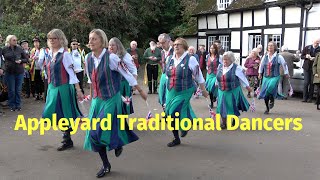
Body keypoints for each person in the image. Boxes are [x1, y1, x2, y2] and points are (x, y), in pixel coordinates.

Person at [83, 29, 147, 178]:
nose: (91, 41)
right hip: (98, 100)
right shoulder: (88, 58)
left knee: (98, 130)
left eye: (94, 39)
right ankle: (106, 164)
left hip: (111, 98)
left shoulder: (112, 58)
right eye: (90, 38)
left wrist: (140, 90)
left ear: (102, 42)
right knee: (93, 135)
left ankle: (117, 142)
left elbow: (127, 74)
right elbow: (90, 79)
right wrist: (92, 95)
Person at [41, 29, 83, 151]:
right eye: (50, 38)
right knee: (51, 113)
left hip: (63, 88)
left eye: (55, 38)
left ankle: (67, 138)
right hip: (52, 87)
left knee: (63, 114)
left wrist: (78, 90)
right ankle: (67, 136)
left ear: (60, 39)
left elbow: (72, 74)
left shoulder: (65, 54)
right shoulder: (50, 53)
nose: (52, 40)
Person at [165, 38, 208, 147]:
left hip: (185, 90)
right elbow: (167, 76)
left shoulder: (191, 59)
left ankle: (185, 126)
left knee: (174, 111)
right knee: (169, 114)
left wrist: (203, 90)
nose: (175, 46)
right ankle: (176, 138)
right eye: (174, 44)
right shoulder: (169, 58)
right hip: (171, 90)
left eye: (178, 44)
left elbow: (199, 76)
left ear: (184, 46)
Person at [215, 51, 251, 129]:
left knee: (232, 106)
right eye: (224, 59)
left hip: (233, 90)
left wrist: (247, 86)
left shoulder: (236, 68)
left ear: (231, 60)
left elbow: (242, 78)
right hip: (221, 90)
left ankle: (235, 119)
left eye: (227, 59)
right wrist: (216, 83)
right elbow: (218, 76)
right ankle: (224, 123)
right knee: (221, 106)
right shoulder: (220, 67)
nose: (225, 61)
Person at [109, 37, 137, 115]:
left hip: (123, 84)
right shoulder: (108, 57)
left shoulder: (125, 56)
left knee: (123, 105)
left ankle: (123, 124)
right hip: (112, 84)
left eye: (113, 45)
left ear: (118, 46)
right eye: (109, 45)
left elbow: (133, 69)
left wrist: (134, 82)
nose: (111, 47)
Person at [258, 41, 289, 114]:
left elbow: (284, 65)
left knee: (270, 87)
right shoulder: (265, 56)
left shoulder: (279, 56)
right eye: (269, 46)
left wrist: (286, 73)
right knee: (266, 93)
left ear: (274, 47)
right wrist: (260, 73)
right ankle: (267, 108)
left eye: (271, 45)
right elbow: (261, 65)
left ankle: (272, 99)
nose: (270, 47)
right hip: (266, 76)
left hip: (275, 76)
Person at [2, 35, 28, 111]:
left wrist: (21, 61)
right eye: (14, 40)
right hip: (9, 72)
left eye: (16, 40)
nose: (15, 41)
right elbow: (2, 59)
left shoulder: (19, 48)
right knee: (11, 90)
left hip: (19, 72)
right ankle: (12, 105)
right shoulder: (4, 49)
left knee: (18, 89)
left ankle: (18, 105)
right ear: (9, 41)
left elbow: (26, 59)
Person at [301, 38, 320, 103]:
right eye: (315, 43)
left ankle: (310, 98)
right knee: (306, 83)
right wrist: (306, 56)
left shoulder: (319, 49)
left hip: (314, 68)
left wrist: (315, 58)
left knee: (312, 83)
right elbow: (301, 56)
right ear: (312, 42)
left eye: (317, 43)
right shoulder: (307, 47)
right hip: (306, 67)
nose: (316, 44)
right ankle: (304, 98)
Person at [158, 33, 173, 109]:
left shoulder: (174, 51)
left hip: (171, 76)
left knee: (169, 95)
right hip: (164, 74)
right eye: (160, 43)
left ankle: (169, 115)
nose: (162, 45)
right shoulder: (162, 52)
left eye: (163, 42)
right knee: (161, 94)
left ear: (169, 41)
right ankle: (165, 112)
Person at [206, 43, 222, 108]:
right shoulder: (207, 56)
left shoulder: (219, 57)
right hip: (209, 74)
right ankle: (212, 102)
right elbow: (207, 64)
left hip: (216, 74)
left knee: (214, 86)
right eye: (211, 48)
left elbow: (221, 66)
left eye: (213, 48)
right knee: (209, 88)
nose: (212, 50)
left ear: (216, 49)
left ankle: (215, 97)